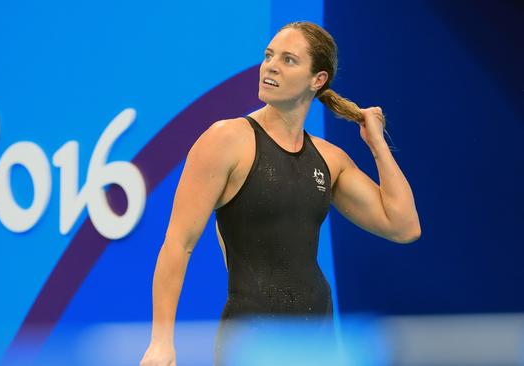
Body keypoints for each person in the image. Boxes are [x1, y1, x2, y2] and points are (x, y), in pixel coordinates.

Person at [139, 21, 421, 366]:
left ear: (317, 80)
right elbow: (177, 244)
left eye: (288, 60)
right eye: (269, 55)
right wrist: (161, 342)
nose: (270, 65)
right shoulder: (226, 140)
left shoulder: (329, 160)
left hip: (317, 338)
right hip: (251, 341)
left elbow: (403, 226)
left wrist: (377, 145)